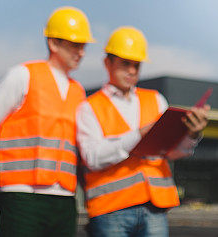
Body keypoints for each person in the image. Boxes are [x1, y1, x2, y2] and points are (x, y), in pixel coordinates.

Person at [0, 6, 94, 237]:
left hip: (64, 201)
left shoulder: (79, 92)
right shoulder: (23, 75)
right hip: (23, 197)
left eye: (84, 46)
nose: (81, 52)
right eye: (75, 45)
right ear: (53, 43)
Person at [77, 26, 209, 237]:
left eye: (137, 65)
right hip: (111, 211)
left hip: (154, 209)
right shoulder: (88, 108)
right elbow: (92, 158)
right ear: (107, 62)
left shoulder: (155, 100)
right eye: (125, 63)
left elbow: (171, 152)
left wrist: (191, 135)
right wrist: (139, 135)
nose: (131, 71)